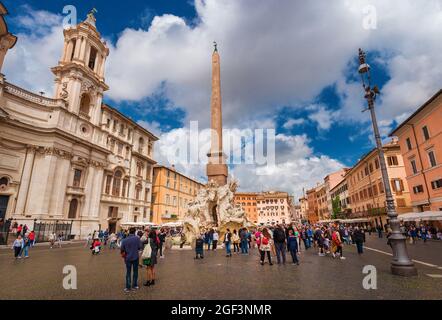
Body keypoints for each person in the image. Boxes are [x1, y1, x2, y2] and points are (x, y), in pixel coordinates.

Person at [120, 227, 142, 292]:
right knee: (135, 272)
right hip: (135, 257)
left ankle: (128, 287)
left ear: (129, 232)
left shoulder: (124, 240)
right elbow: (140, 247)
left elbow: (122, 249)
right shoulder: (137, 239)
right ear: (135, 232)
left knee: (128, 272)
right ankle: (135, 285)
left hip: (128, 258)